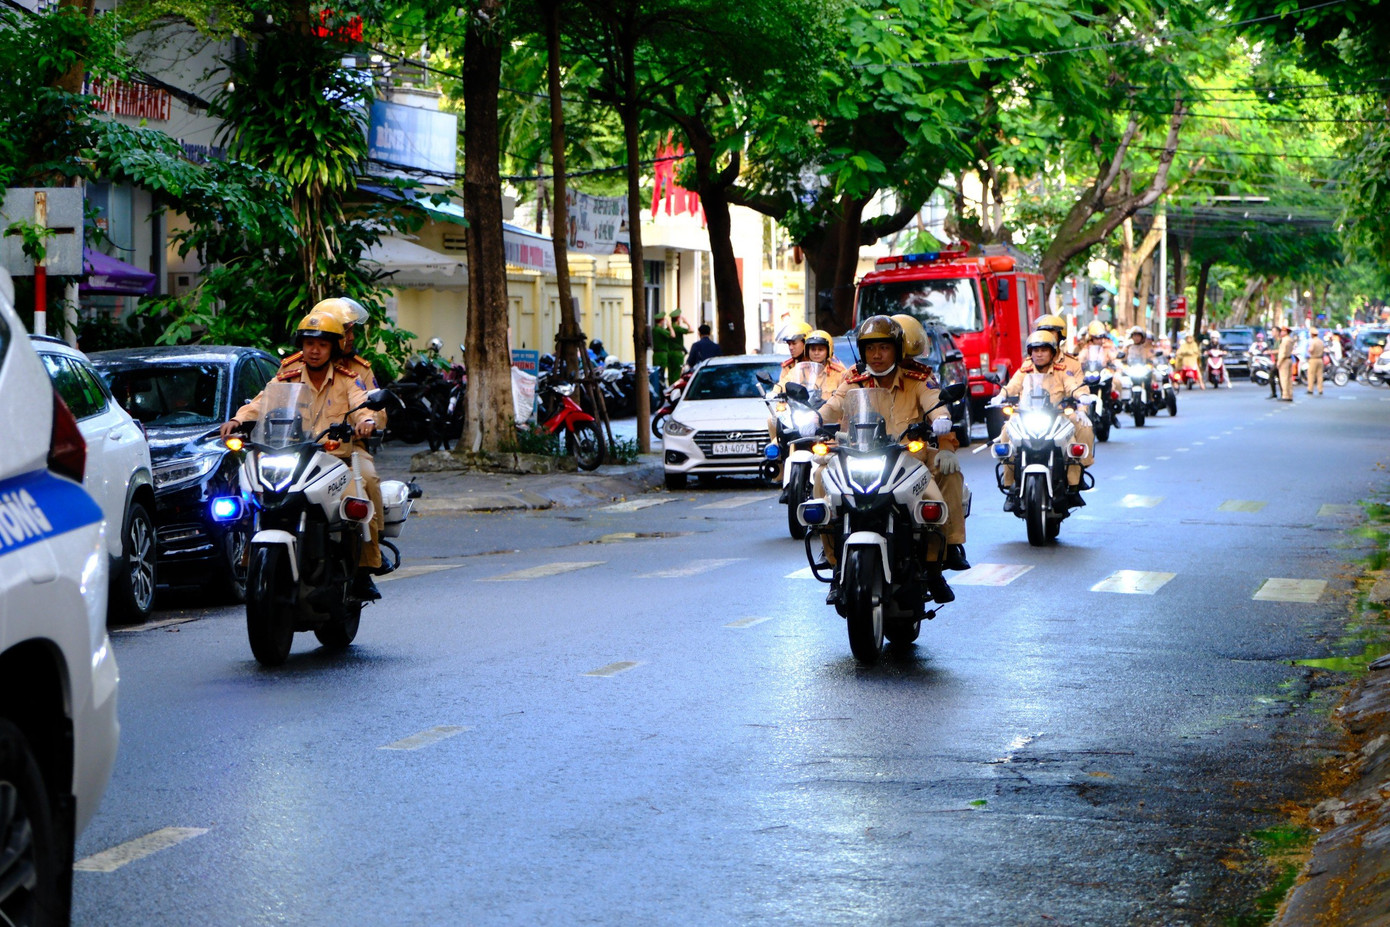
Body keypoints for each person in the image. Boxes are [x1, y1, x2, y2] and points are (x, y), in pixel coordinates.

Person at [220, 311, 385, 600]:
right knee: (253, 497)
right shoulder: (288, 377)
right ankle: (252, 559)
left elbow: (364, 404)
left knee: (362, 490)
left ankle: (364, 568)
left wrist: (366, 421)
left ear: (334, 347)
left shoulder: (348, 379)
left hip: (337, 460)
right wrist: (238, 420)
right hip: (294, 457)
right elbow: (261, 402)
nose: (314, 350)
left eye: (322, 344)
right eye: (309, 343)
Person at [814, 316, 968, 605]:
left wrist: (942, 420)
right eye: (870, 348)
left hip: (909, 459)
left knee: (936, 501)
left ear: (897, 349)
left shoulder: (919, 378)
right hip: (861, 455)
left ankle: (937, 565)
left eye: (884, 348)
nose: (877, 355)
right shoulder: (854, 378)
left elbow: (935, 403)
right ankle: (836, 566)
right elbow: (835, 403)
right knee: (821, 479)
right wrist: (816, 417)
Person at [996, 330, 1095, 509]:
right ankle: (1010, 487)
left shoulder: (1062, 370)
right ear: (1030, 353)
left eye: (1043, 350)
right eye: (1035, 350)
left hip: (1056, 416)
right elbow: (1012, 386)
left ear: (1052, 353)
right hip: (1026, 415)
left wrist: (1081, 396)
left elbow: (1073, 386)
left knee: (1071, 444)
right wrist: (1000, 395)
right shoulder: (1024, 370)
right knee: (1006, 434)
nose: (1039, 354)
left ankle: (1074, 486)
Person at [651, 310, 690, 385]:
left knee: (669, 374)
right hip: (663, 355)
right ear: (662, 321)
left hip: (663, 354)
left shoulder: (655, 329)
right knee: (673, 373)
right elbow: (673, 335)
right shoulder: (660, 330)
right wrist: (670, 326)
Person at [1277, 325, 1296, 402]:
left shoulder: (1284, 341)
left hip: (1284, 360)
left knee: (1284, 378)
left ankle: (1285, 395)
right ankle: (1290, 394)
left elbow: (1283, 352)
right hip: (1289, 359)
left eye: (1282, 331)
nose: (1281, 333)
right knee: (1289, 379)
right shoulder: (1290, 340)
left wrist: (1279, 362)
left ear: (1285, 332)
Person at [1307, 330, 1326, 395]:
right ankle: (1320, 389)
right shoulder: (1321, 341)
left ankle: (1310, 389)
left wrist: (1309, 351)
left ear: (1312, 334)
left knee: (1311, 374)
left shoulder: (1313, 342)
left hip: (1313, 359)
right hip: (1320, 359)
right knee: (1320, 375)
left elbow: (1311, 350)